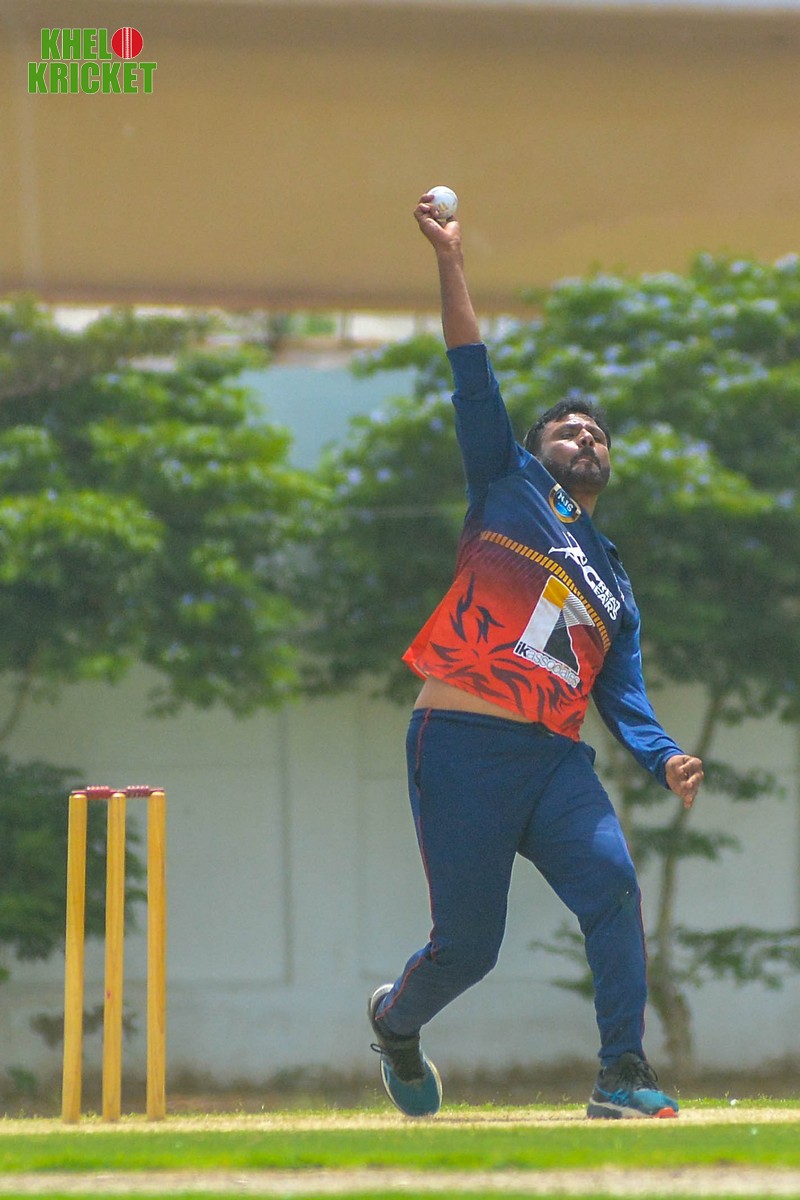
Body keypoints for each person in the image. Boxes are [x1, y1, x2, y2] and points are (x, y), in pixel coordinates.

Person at [367, 192, 704, 1121]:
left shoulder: (616, 585)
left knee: (614, 890)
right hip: (460, 747)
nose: (585, 437)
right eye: (568, 429)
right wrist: (450, 259)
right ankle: (396, 1023)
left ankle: (620, 1074)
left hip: (554, 762)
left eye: (598, 434)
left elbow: (624, 699)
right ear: (533, 449)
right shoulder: (506, 483)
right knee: (469, 950)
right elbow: (470, 367)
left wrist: (666, 755)